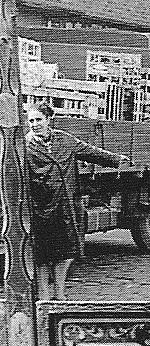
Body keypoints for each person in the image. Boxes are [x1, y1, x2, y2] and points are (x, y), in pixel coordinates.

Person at [24, 103, 128, 300]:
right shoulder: (25, 146)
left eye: (39, 119)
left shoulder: (64, 140)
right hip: (41, 206)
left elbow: (90, 151)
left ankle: (60, 293)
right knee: (42, 254)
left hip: (67, 205)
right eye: (31, 121)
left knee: (67, 251)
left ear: (49, 120)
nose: (35, 124)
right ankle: (44, 294)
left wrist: (115, 159)